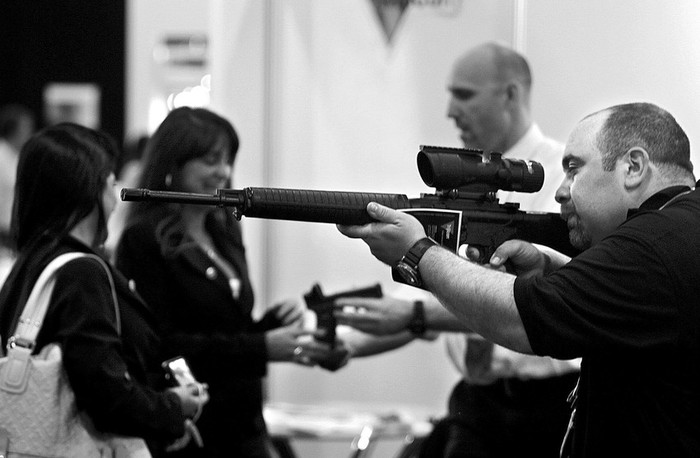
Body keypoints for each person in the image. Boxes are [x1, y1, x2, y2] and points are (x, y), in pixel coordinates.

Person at [338, 102, 700, 456]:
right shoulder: (678, 229)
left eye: (574, 170)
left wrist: (417, 252)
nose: (561, 190)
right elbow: (630, 306)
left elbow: (523, 319)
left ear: (633, 166)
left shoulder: (653, 243)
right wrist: (551, 271)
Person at [333, 42, 579, 457]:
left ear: (511, 94)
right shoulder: (467, 183)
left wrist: (413, 316)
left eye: (464, 94)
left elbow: (518, 301)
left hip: (546, 408)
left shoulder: (559, 182)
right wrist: (345, 344)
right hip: (480, 404)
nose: (450, 110)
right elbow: (419, 292)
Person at [115, 107, 347, 458]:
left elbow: (228, 327)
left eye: (227, 160)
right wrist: (262, 346)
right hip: (194, 429)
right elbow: (160, 346)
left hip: (245, 422)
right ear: (173, 163)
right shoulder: (143, 240)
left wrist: (272, 327)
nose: (223, 172)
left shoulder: (224, 231)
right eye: (211, 160)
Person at [0, 123, 208, 457]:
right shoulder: (81, 271)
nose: (115, 199)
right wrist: (171, 408)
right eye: (112, 183)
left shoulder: (32, 262)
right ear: (89, 190)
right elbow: (105, 393)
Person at [0, 104, 35, 286]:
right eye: (26, 128)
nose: (30, 133)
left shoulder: (15, 157)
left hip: (13, 230)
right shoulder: (2, 156)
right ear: (14, 129)